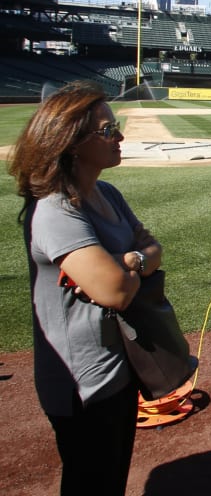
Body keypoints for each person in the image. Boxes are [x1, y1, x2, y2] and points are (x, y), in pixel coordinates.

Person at [8, 80, 163, 496]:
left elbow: (152, 249)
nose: (120, 136)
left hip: (118, 364)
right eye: (108, 130)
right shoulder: (56, 210)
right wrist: (131, 262)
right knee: (89, 481)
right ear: (72, 142)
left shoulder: (107, 193)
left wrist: (129, 261)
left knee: (111, 476)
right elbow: (116, 291)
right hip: (80, 377)